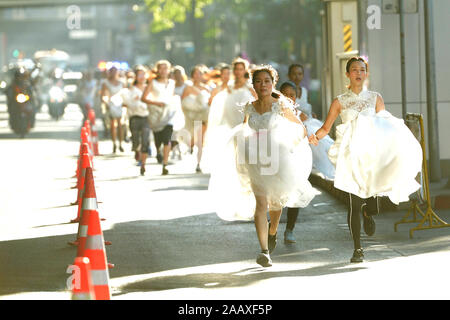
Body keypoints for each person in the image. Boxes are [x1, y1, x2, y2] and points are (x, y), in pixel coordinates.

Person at [309, 57, 422, 263]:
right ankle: (357, 249)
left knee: (372, 204)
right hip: (350, 154)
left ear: (366, 74)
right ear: (347, 74)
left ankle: (369, 214)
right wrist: (314, 137)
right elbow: (326, 127)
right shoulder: (340, 101)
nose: (358, 73)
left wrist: (402, 135)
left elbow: (385, 124)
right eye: (354, 70)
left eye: (362, 70)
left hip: (372, 156)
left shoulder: (375, 98)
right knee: (353, 203)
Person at [209, 65, 316, 267]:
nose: (263, 85)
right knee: (261, 204)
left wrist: (290, 145)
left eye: (267, 81)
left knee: (276, 203)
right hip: (255, 159)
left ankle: (273, 231)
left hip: (277, 157)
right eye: (258, 81)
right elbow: (244, 130)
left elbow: (300, 128)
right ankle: (264, 251)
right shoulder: (250, 106)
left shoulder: (280, 104)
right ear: (254, 84)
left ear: (273, 83)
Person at [142, 60, 184, 175]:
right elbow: (144, 98)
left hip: (169, 113)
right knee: (158, 140)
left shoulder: (171, 82)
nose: (163, 71)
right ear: (157, 70)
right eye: (160, 68)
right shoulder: (152, 83)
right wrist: (156, 103)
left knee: (167, 139)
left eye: (165, 68)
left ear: (169, 70)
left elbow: (171, 95)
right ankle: (159, 151)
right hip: (156, 114)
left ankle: (165, 164)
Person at [181, 65, 211, 173]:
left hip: (203, 117)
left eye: (200, 73)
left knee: (201, 141)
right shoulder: (188, 88)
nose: (198, 75)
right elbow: (183, 103)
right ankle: (191, 146)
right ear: (193, 75)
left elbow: (210, 102)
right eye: (196, 73)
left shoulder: (206, 88)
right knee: (193, 139)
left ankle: (199, 163)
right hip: (192, 117)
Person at [122, 66, 150, 176]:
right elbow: (126, 102)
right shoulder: (131, 89)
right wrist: (133, 102)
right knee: (136, 140)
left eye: (144, 74)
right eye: (140, 75)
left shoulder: (149, 88)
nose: (142, 77)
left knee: (145, 140)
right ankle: (136, 150)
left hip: (146, 117)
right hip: (134, 117)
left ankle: (143, 164)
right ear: (136, 76)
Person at [100, 66, 124, 153]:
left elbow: (124, 93)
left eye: (115, 71)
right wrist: (105, 102)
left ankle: (121, 143)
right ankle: (114, 143)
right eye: (112, 71)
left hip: (120, 104)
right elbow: (103, 95)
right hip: (111, 104)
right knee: (113, 125)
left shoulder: (121, 82)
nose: (114, 73)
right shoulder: (105, 83)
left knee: (120, 125)